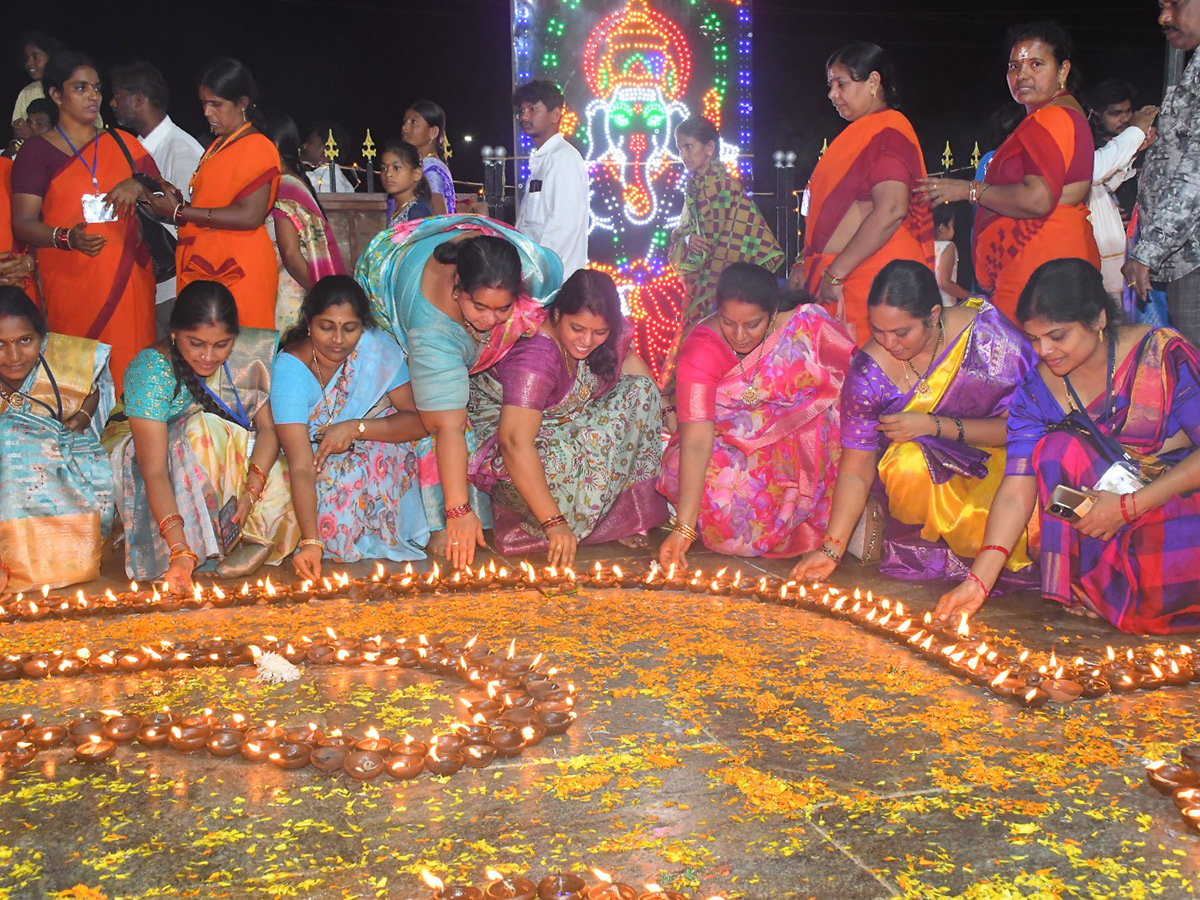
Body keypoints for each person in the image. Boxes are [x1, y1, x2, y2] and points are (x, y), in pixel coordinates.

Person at [935, 258, 1200, 635]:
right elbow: (1017, 487)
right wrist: (978, 581)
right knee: (1057, 450)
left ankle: (1136, 593)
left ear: (1098, 321)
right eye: (1034, 338)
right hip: (1106, 522)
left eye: (1058, 336)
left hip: (1176, 510)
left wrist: (1128, 507)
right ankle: (1102, 588)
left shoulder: (1161, 355)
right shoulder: (1037, 391)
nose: (1044, 350)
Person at [791, 260, 1038, 586]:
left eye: (901, 332)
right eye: (878, 330)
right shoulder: (869, 373)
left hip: (1006, 463)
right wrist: (831, 548)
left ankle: (996, 552)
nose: (888, 344)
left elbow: (1029, 428)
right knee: (904, 463)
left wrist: (934, 425)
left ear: (934, 315)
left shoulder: (990, 339)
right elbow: (856, 467)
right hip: (932, 481)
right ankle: (950, 548)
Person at [355, 214, 563, 571]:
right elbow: (445, 426)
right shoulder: (430, 330)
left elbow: (552, 271)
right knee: (435, 414)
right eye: (478, 307)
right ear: (457, 287)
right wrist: (457, 510)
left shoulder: (532, 268)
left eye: (503, 308)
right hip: (386, 271)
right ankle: (434, 523)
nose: (489, 319)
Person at [658, 263, 854, 569]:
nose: (739, 335)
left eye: (752, 324)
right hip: (726, 447)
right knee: (725, 524)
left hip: (796, 439)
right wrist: (683, 528)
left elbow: (846, 375)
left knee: (832, 412)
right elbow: (696, 440)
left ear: (772, 311)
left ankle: (835, 510)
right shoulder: (701, 348)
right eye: (728, 322)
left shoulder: (805, 325)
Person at [105, 280, 297, 588]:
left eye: (221, 345)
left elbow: (269, 431)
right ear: (173, 332)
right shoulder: (152, 370)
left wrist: (249, 494)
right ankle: (195, 546)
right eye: (196, 343)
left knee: (282, 473)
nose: (208, 356)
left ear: (234, 338)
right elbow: (153, 471)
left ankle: (236, 541)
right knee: (202, 430)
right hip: (142, 455)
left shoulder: (245, 354)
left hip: (209, 446)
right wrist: (179, 549)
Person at [469, 269, 668, 565]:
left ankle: (615, 519)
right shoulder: (536, 354)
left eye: (599, 332)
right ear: (557, 314)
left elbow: (626, 359)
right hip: (506, 446)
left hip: (558, 423)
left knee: (640, 392)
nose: (587, 341)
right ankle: (552, 528)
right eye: (577, 329)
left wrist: (666, 409)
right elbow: (513, 442)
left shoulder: (590, 337)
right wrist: (554, 523)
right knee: (594, 441)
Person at [920, 22, 1100, 323]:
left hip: (1041, 273)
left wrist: (968, 190)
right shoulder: (1057, 116)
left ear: (1063, 70)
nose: (1022, 74)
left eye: (1036, 64)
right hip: (1042, 270)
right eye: (1014, 66)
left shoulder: (1051, 119)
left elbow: (1039, 198)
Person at [10, 51, 157, 395]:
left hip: (128, 282)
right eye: (80, 88)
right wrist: (66, 239)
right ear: (56, 95)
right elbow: (23, 222)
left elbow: (165, 199)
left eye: (96, 87)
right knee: (77, 387)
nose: (94, 96)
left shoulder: (122, 144)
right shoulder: (37, 153)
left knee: (134, 387)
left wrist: (139, 185)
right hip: (70, 279)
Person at [272, 276, 429, 578]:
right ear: (308, 322)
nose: (338, 340)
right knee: (333, 492)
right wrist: (310, 540)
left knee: (420, 444)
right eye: (326, 326)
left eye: (350, 328)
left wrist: (356, 428)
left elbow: (419, 421)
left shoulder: (375, 350)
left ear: (364, 326)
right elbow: (301, 465)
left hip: (367, 441)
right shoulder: (291, 370)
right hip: (311, 462)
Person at [799, 43, 934, 345]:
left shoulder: (888, 130)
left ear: (873, 82)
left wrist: (836, 273)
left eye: (842, 84)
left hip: (869, 282)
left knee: (872, 381)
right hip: (846, 277)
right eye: (831, 85)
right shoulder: (862, 132)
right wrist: (804, 261)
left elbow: (891, 210)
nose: (833, 94)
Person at [143, 59, 281, 330]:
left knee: (239, 358)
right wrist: (177, 202)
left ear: (242, 103)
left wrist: (180, 212)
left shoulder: (257, 146)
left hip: (236, 268)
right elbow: (216, 205)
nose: (207, 112)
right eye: (204, 103)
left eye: (216, 104)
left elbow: (249, 216)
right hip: (208, 263)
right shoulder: (220, 145)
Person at [0, 286, 114, 593]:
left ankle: (60, 561)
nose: (13, 356)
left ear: (42, 337)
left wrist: (81, 419)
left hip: (63, 452)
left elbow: (90, 391)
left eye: (25, 341)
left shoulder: (61, 360)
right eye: (0, 344)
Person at [668, 116, 784, 349]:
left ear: (709, 147)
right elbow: (685, 234)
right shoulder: (694, 188)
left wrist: (697, 247)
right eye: (680, 149)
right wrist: (688, 240)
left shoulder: (726, 187)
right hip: (701, 285)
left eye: (689, 146)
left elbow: (735, 238)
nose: (684, 156)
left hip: (729, 288)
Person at [1123, 0, 1200, 348]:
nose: (1164, 17)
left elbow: (1195, 176)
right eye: (1161, 5)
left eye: (1175, 4)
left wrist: (1148, 251)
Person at [109, 60, 205, 336]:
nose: (112, 103)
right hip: (149, 285)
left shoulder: (181, 150)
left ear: (139, 99)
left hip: (173, 289)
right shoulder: (137, 148)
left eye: (117, 95)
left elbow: (192, 220)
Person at [259, 111, 346, 332]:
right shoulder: (293, 183)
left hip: (292, 298)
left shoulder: (284, 188)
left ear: (273, 145)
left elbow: (290, 254)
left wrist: (321, 299)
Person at [1086, 79, 1157, 298]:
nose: (1125, 119)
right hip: (1094, 256)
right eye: (1116, 113)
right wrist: (1134, 134)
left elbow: (1106, 185)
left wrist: (1136, 147)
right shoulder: (1087, 146)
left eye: (1128, 112)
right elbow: (1095, 175)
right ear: (1096, 114)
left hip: (1128, 250)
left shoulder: (1128, 147)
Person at [513, 80, 589, 276]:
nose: (524, 116)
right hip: (536, 278)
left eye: (532, 109)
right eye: (521, 110)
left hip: (553, 281)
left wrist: (536, 275)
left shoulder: (562, 159)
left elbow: (562, 227)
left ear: (555, 114)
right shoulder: (543, 159)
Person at [10, 32, 65, 144]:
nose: (29, 63)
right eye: (26, 59)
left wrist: (33, 134)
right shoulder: (27, 92)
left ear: (52, 58)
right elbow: (18, 135)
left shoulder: (69, 88)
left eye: (36, 57)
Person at [401, 101, 456, 216]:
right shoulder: (428, 165)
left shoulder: (430, 171)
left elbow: (438, 219)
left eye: (414, 122)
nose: (405, 128)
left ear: (433, 132)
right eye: (405, 121)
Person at [380, 139, 434, 227]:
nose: (388, 174)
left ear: (416, 174)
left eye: (396, 168)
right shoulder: (401, 208)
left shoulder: (418, 212)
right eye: (383, 169)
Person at [300, 121, 358, 193]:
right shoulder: (347, 185)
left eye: (310, 142)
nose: (304, 146)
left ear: (327, 150)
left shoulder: (309, 180)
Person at [932, 204, 969, 305]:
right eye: (952, 226)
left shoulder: (926, 246)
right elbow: (944, 283)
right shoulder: (948, 246)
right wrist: (969, 296)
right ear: (942, 228)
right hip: (946, 305)